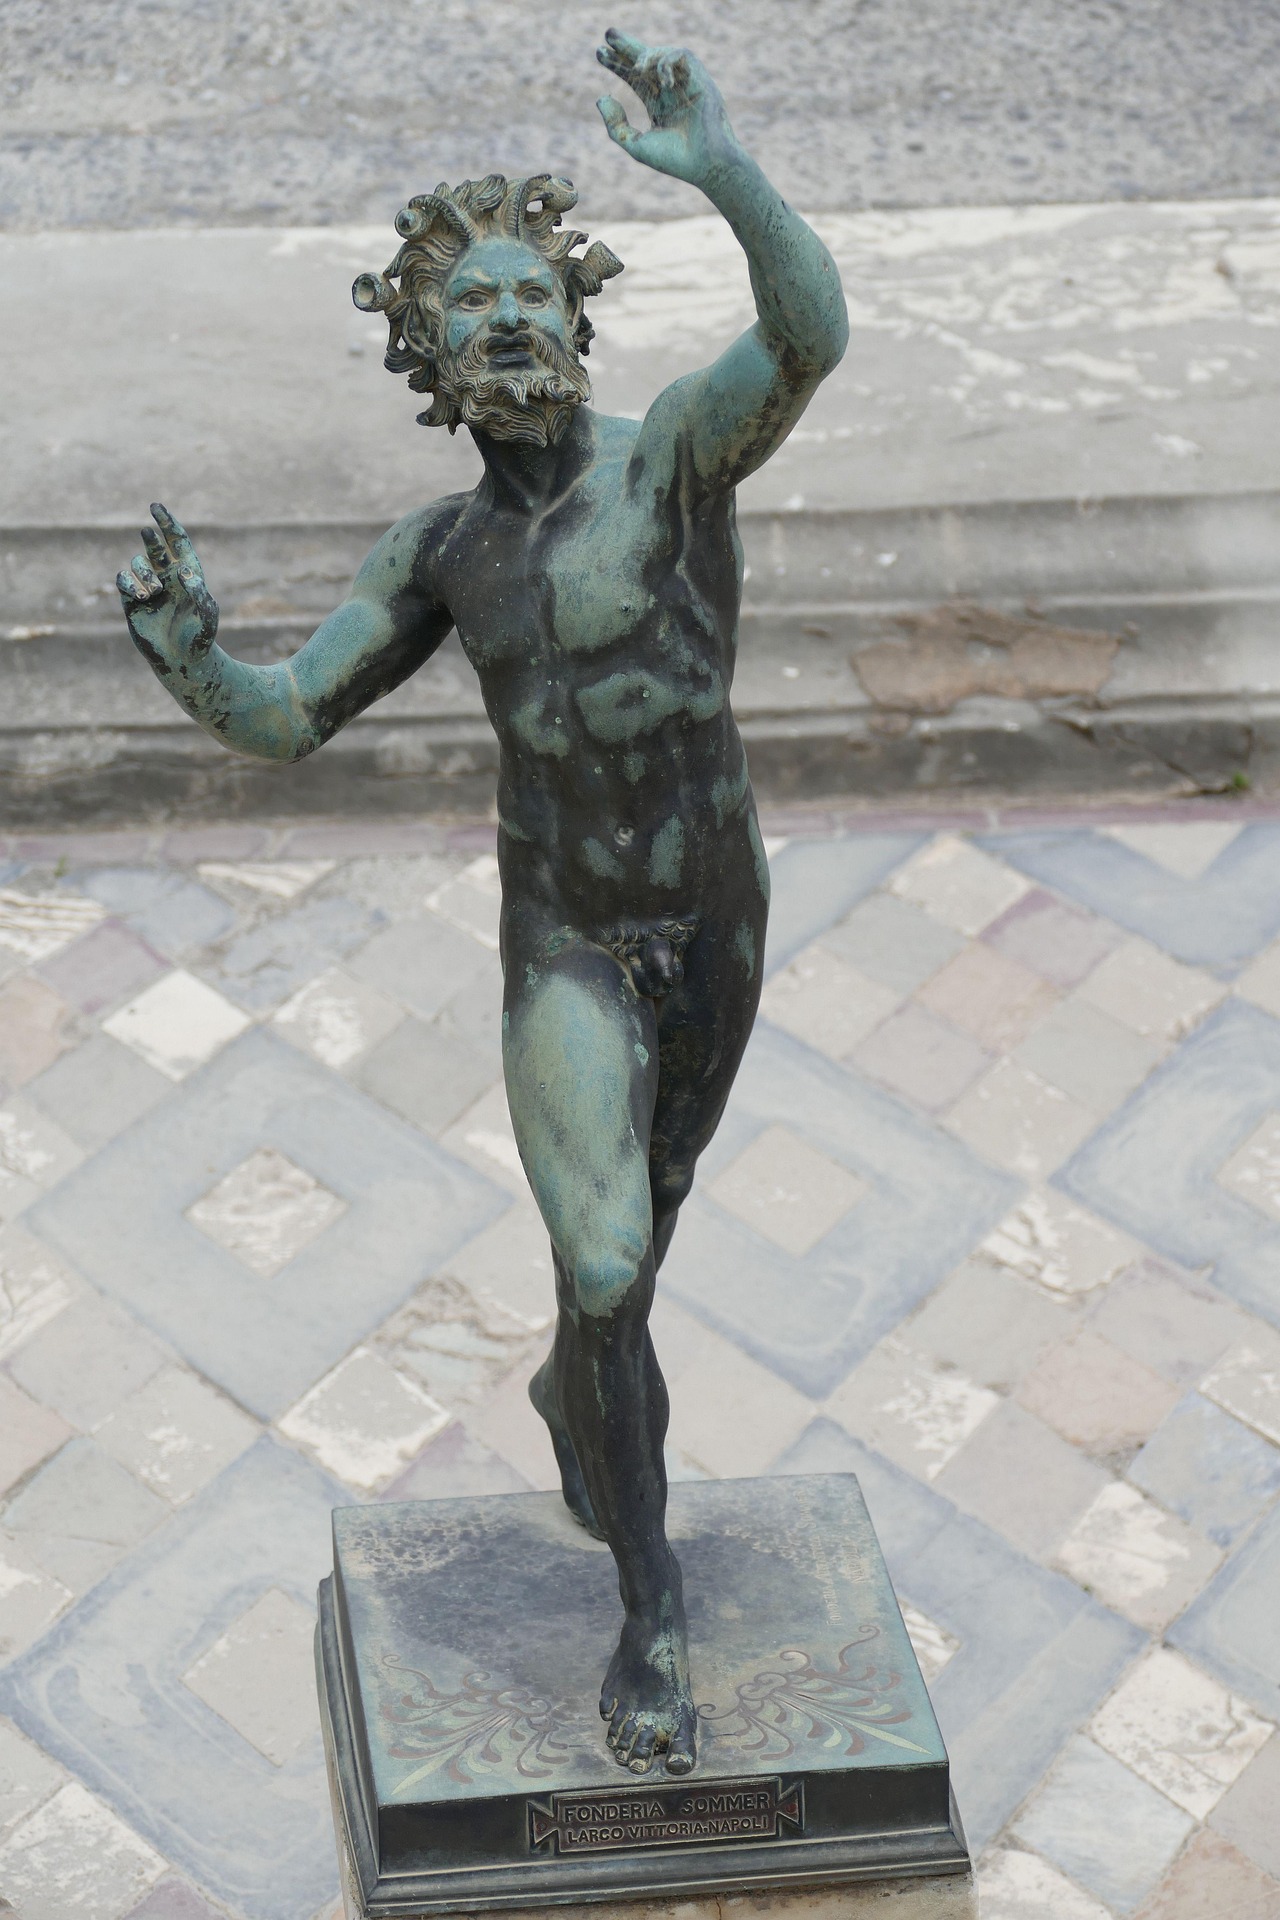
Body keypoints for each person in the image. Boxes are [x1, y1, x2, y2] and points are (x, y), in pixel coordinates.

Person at [117, 27, 848, 1777]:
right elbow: (290, 717)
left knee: (635, 1254)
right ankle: (652, 1609)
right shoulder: (441, 555)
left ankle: (579, 1396)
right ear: (428, 363)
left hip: (719, 922)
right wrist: (193, 659)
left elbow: (811, 336)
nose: (511, 321)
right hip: (570, 946)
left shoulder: (670, 460)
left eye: (535, 293)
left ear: (576, 322)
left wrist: (726, 170)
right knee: (605, 1261)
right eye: (474, 309)